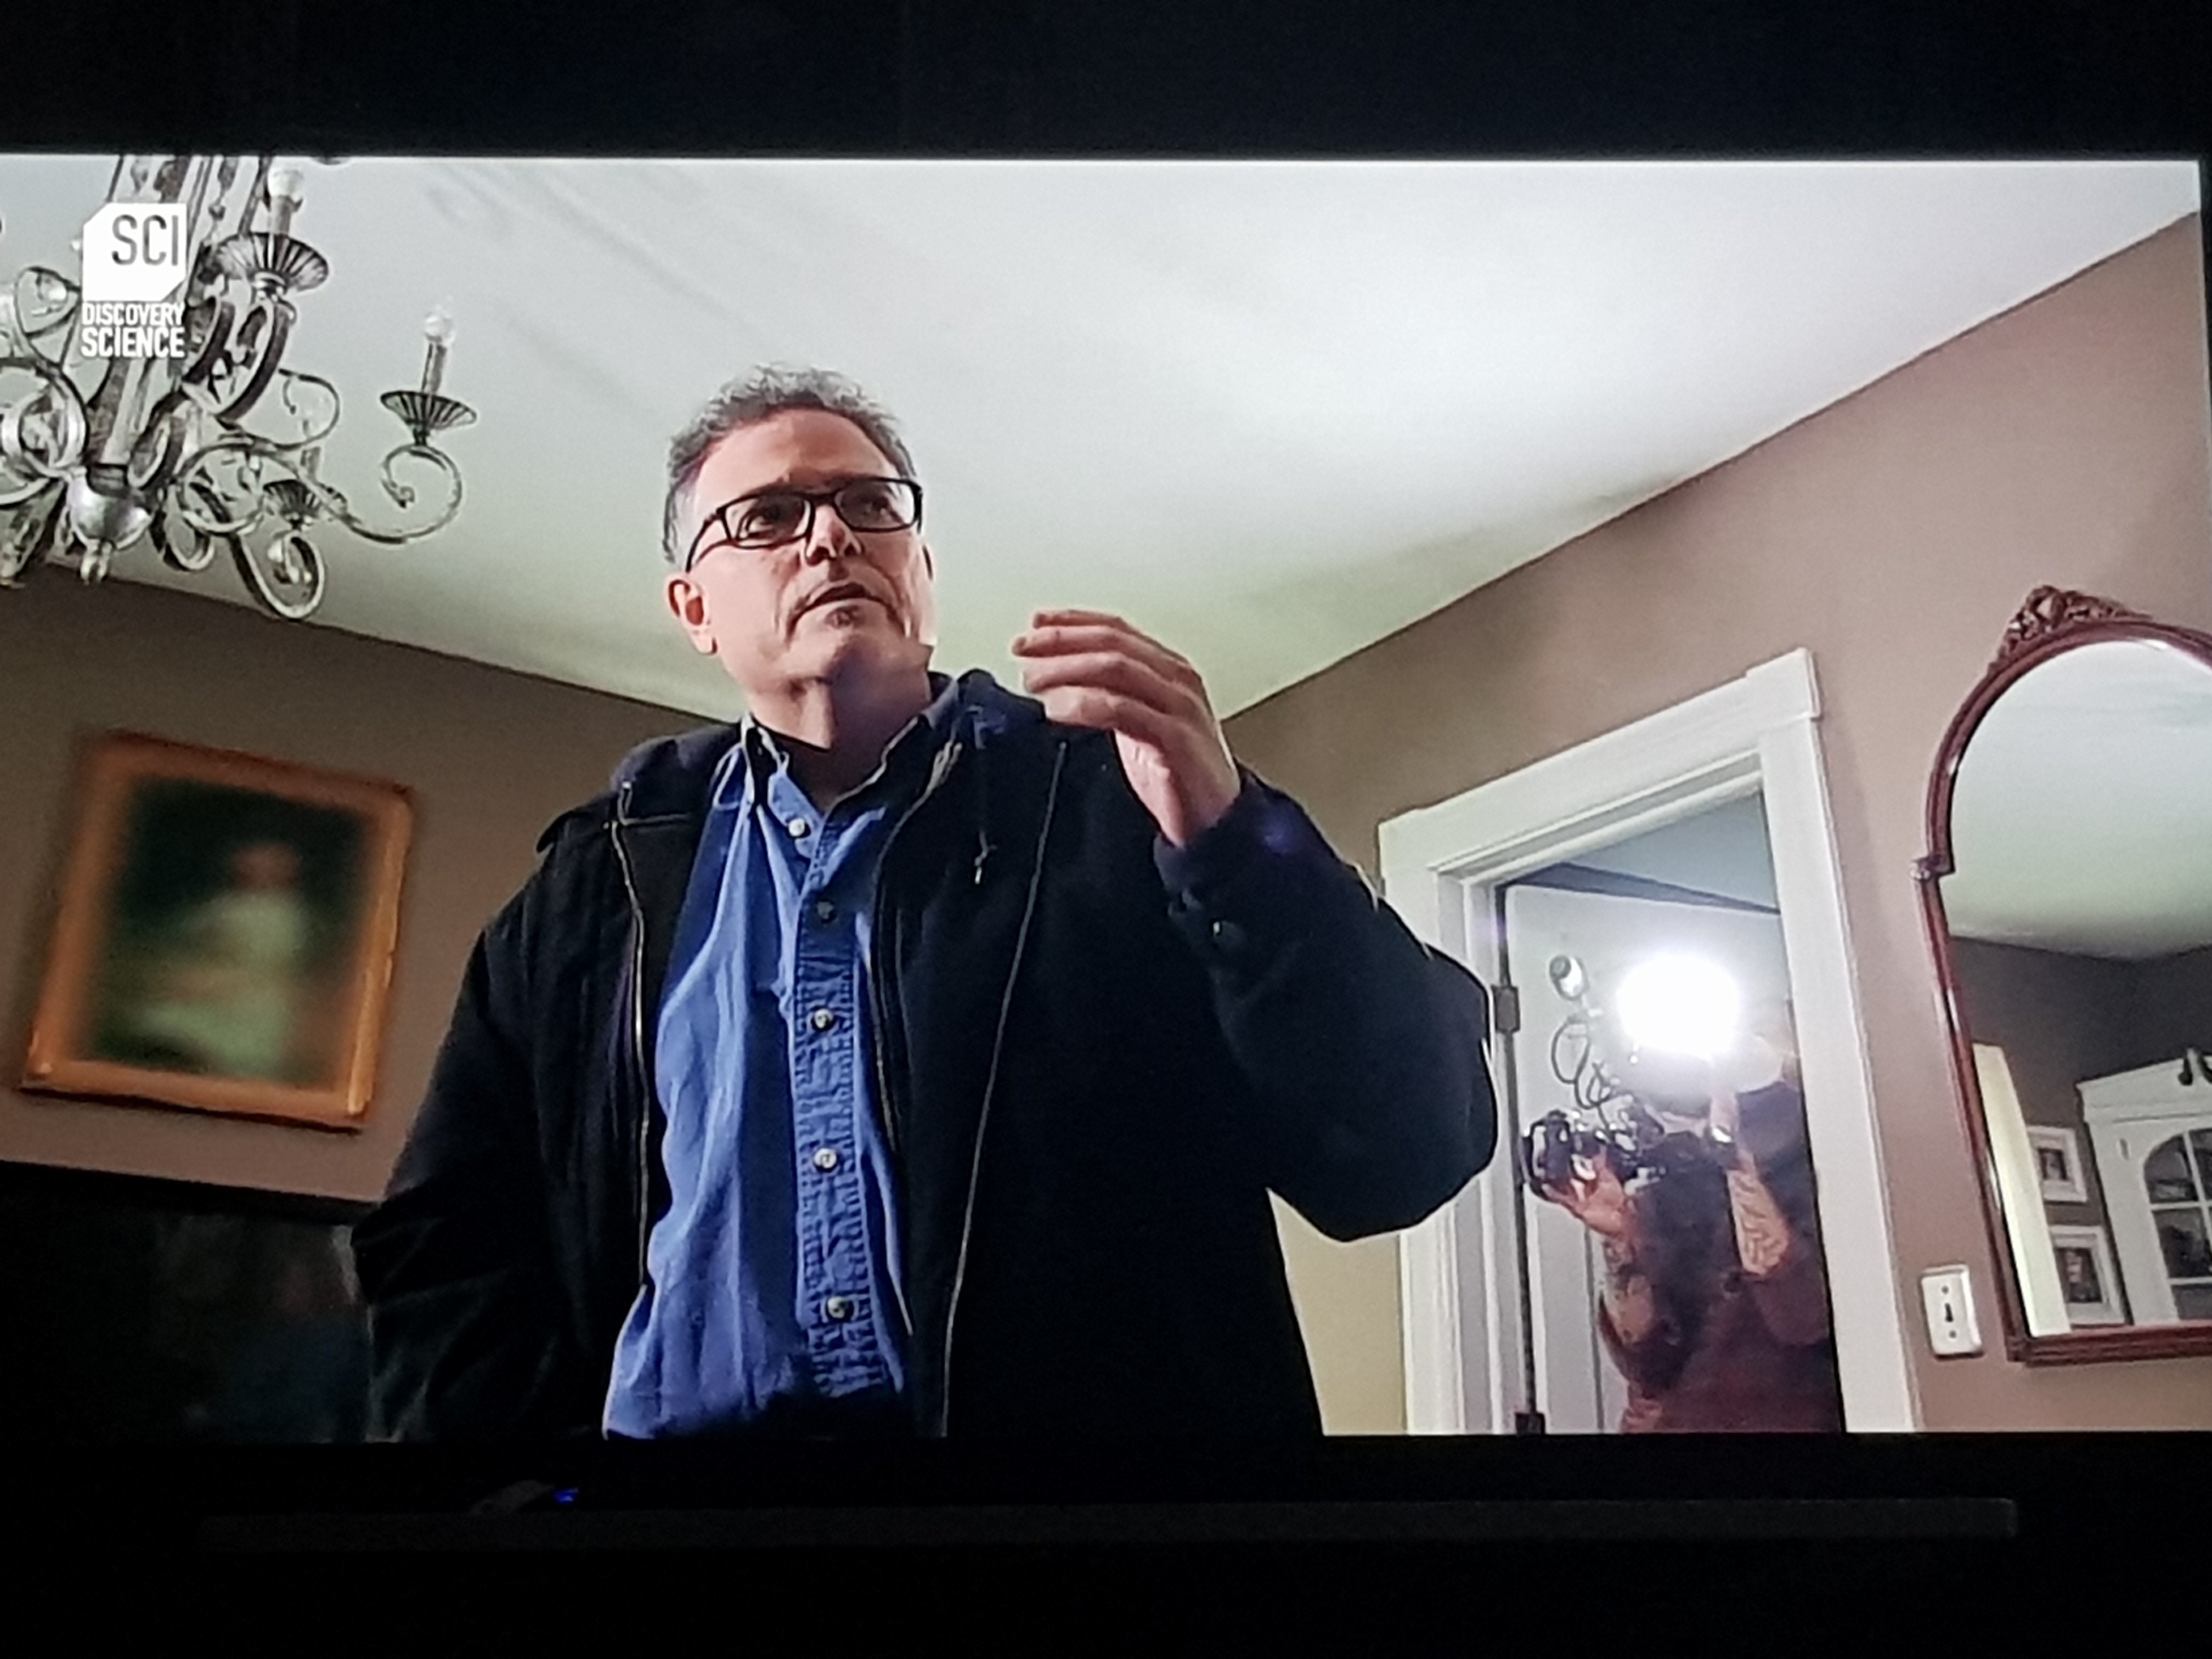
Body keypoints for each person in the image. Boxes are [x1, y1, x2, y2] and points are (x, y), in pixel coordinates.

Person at [350, 366, 1497, 1440]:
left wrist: (1235, 844)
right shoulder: (592, 887)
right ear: (694, 608)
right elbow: (446, 1250)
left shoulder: (1120, 802)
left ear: (923, 569)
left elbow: (1404, 1152)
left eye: (869, 504)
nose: (831, 536)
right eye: (768, 516)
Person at [1533, 1002, 1842, 1433]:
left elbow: (1802, 1319)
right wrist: (1621, 1240)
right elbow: (1647, 1364)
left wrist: (1734, 1161)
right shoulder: (1668, 1190)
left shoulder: (1831, 1175)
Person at [122, 838, 316, 1082]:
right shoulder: (227, 905)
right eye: (252, 864)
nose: (255, 870)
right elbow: (187, 937)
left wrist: (212, 983)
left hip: (247, 1002)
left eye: (267, 866)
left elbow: (262, 965)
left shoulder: (283, 914)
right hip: (210, 990)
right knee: (157, 1026)